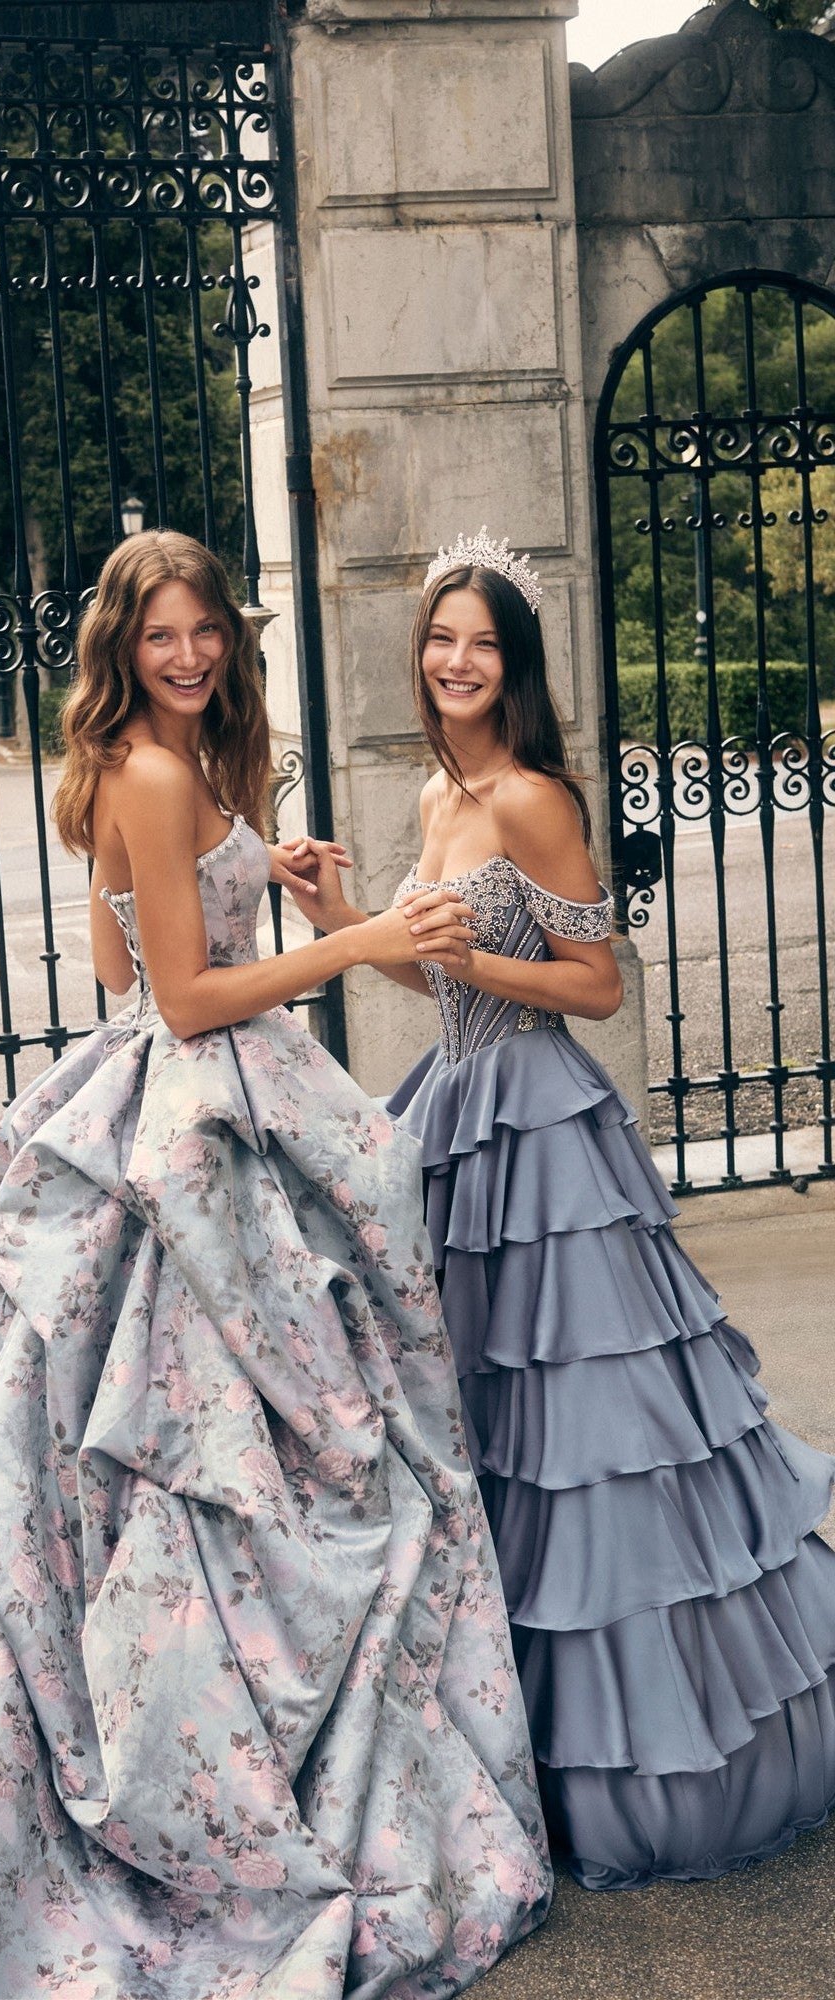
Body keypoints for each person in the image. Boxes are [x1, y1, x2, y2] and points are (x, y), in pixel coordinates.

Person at [0, 531, 551, 1998]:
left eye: (205, 631)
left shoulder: (169, 764)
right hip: (200, 1122)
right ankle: (209, 1771)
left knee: (178, 1469)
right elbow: (181, 1001)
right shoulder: (154, 772)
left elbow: (118, 968)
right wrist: (360, 938)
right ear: (122, 648)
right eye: (159, 636)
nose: (188, 656)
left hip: (194, 1114)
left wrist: (261, 874)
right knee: (222, 1460)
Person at [293, 526, 835, 1891]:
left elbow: (597, 984)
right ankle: (511, 1740)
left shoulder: (534, 799)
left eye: (482, 643)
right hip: (456, 1114)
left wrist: (479, 958)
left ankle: (654, 1756)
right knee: (493, 1429)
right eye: (440, 638)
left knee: (594, 1435)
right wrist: (343, 913)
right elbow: (437, 975)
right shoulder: (437, 794)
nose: (456, 660)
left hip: (542, 1131)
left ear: (517, 665)